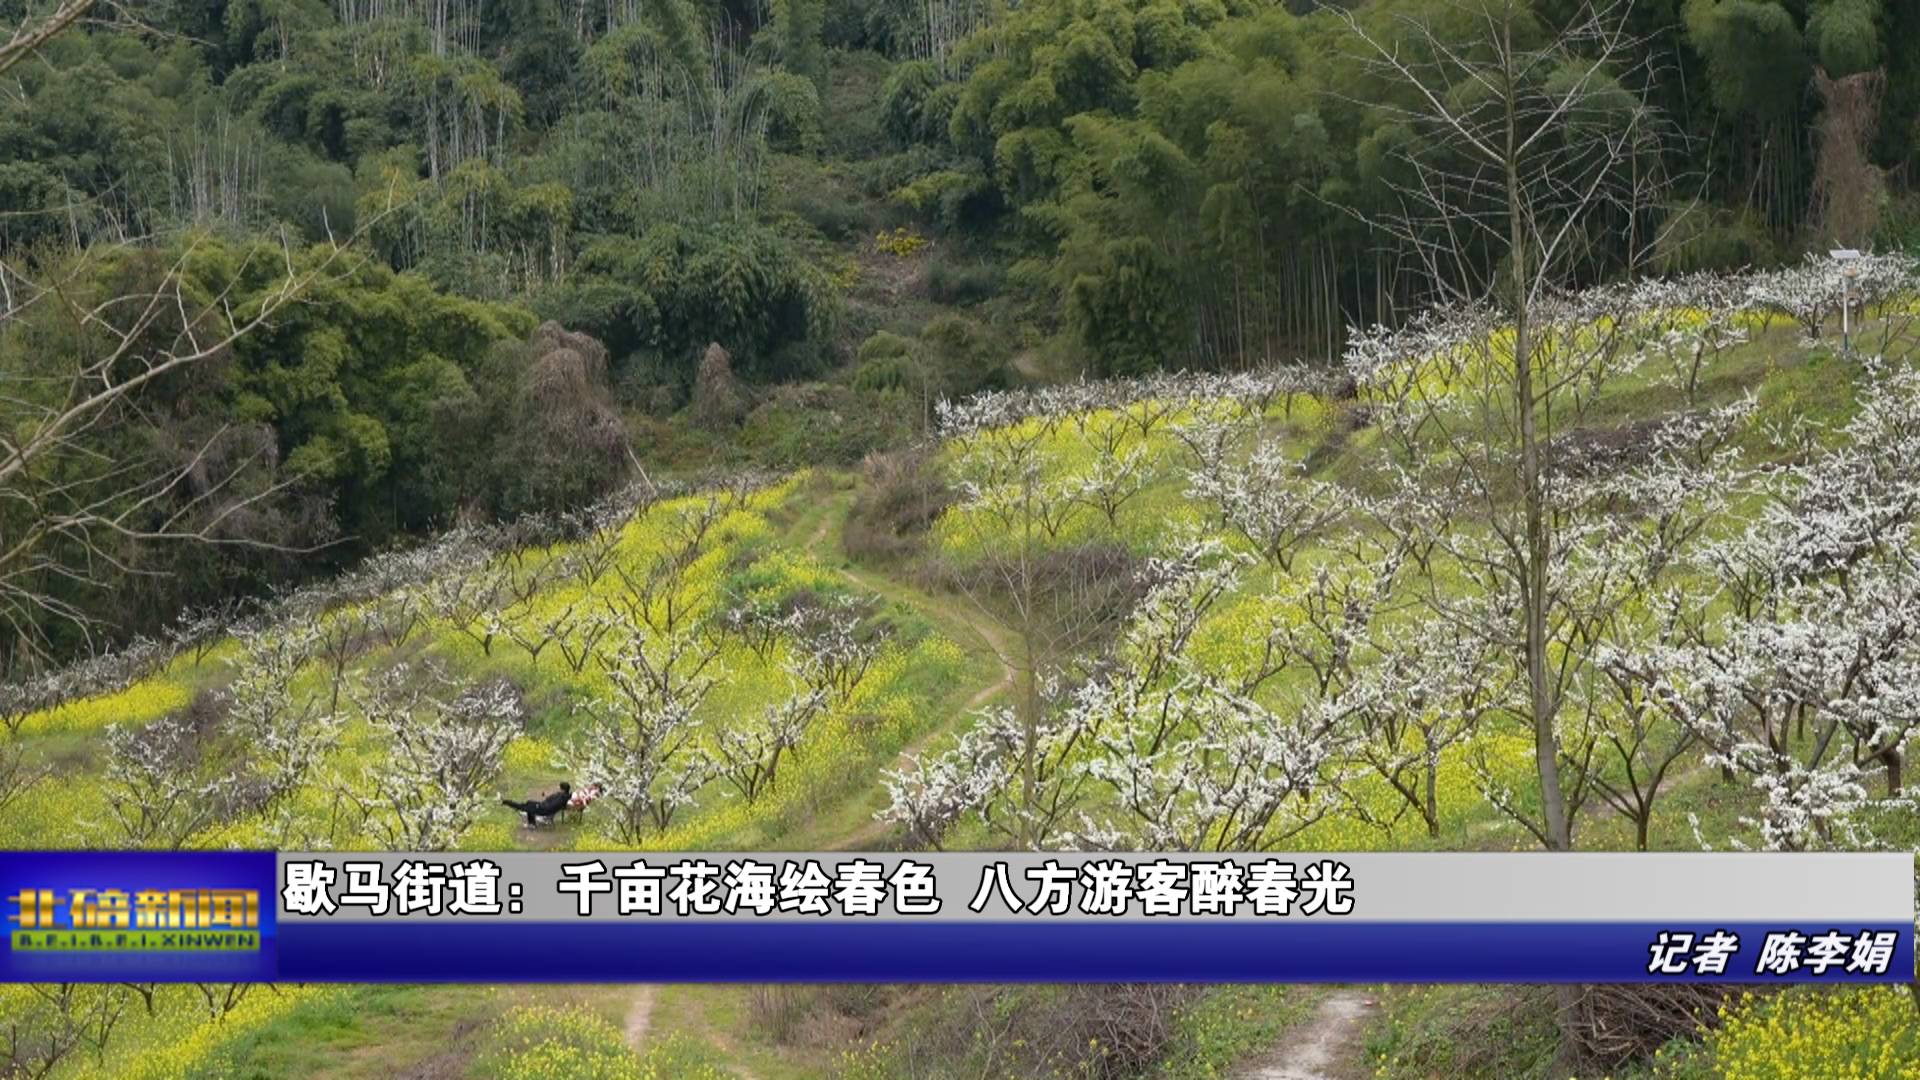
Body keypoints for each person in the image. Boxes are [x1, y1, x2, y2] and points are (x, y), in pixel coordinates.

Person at [502, 782, 571, 827]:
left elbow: (551, 803)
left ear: (562, 789)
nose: (558, 788)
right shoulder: (564, 796)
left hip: (544, 809)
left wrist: (541, 805)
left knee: (526, 807)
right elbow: (551, 800)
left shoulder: (560, 796)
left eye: (559, 787)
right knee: (529, 803)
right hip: (545, 807)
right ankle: (532, 823)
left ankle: (506, 802)